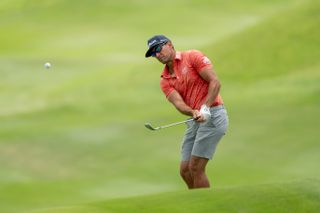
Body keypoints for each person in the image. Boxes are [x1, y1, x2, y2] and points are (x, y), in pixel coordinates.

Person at [145, 35, 229, 189]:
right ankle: (197, 202)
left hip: (214, 115)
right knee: (185, 170)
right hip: (195, 120)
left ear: (169, 44)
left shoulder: (192, 57)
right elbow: (179, 104)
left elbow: (215, 82)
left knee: (196, 167)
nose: (157, 55)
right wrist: (193, 112)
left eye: (158, 49)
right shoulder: (165, 80)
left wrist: (205, 107)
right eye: (153, 53)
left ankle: (205, 205)